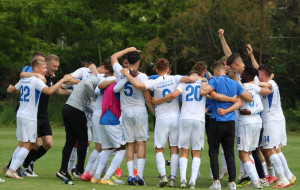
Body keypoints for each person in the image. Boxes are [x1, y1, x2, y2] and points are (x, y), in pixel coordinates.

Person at [120, 58, 199, 187]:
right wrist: (201, 79)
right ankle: (173, 178)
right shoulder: (175, 78)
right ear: (168, 69)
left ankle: (163, 176)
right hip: (175, 118)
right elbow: (190, 79)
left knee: (159, 148)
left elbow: (139, 85)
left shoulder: (153, 81)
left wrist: (127, 74)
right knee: (174, 148)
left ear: (156, 70)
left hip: (161, 118)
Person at [5, 59, 71, 179]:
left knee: (21, 143)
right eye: (44, 68)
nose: (46, 70)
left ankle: (10, 169)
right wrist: (62, 80)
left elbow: (11, 89)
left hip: (20, 114)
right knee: (29, 143)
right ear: (36, 69)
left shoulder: (25, 79)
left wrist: (10, 87)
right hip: (29, 116)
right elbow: (50, 91)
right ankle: (12, 170)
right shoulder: (36, 80)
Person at [200, 61, 252, 190]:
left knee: (213, 151)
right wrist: (233, 98)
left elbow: (203, 91)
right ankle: (232, 183)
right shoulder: (235, 83)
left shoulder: (215, 81)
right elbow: (249, 98)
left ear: (216, 71)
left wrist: (203, 80)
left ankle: (216, 181)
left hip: (216, 120)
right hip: (230, 122)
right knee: (229, 153)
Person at [220, 65, 271, 188]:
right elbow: (261, 107)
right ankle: (256, 180)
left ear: (247, 75)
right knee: (249, 153)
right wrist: (252, 111)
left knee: (242, 154)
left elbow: (234, 101)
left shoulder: (239, 87)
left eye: (242, 74)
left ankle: (256, 182)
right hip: (257, 122)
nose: (240, 76)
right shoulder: (255, 87)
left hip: (246, 123)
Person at [56, 63, 108, 181]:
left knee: (70, 140)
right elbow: (87, 84)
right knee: (83, 140)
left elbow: (86, 103)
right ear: (103, 69)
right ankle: (79, 170)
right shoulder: (94, 78)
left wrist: (93, 108)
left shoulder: (91, 77)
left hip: (68, 108)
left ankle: (63, 170)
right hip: (76, 110)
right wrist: (93, 96)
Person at [111, 47, 154, 185]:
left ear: (126, 61)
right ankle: (139, 175)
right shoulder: (142, 76)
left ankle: (130, 175)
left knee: (129, 144)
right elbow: (147, 98)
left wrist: (128, 49)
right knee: (141, 143)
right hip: (139, 111)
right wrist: (154, 112)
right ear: (139, 63)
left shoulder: (119, 72)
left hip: (126, 113)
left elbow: (113, 57)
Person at [258, 64, 296, 188]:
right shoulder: (269, 81)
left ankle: (282, 179)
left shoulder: (272, 83)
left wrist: (250, 85)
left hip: (271, 120)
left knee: (269, 149)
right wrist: (252, 55)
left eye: (259, 75)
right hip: (277, 119)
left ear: (263, 75)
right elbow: (262, 74)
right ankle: (289, 176)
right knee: (276, 149)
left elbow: (268, 85)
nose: (257, 77)